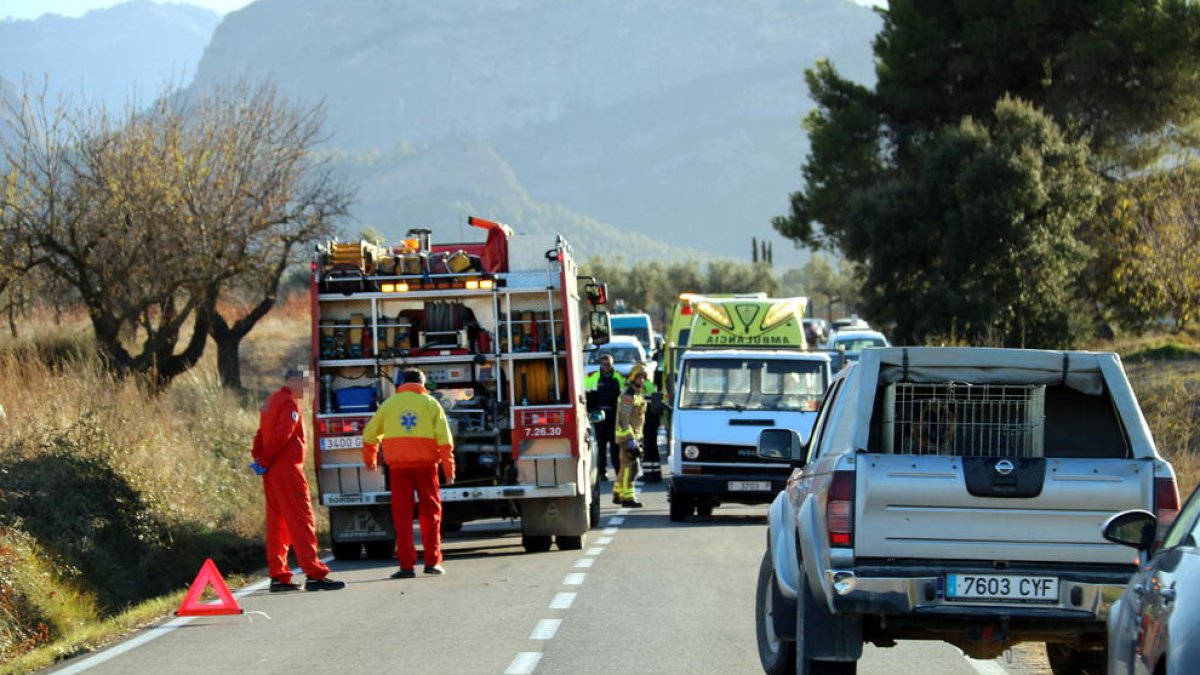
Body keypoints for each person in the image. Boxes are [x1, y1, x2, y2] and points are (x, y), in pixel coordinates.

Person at [251, 368, 345, 592]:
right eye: (305, 383)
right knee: (301, 520)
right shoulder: (290, 404)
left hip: (272, 471)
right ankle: (314, 574)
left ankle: (279, 576)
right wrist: (265, 459)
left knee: (278, 524)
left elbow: (260, 434)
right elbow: (281, 436)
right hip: (286, 469)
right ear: (292, 381)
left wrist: (260, 459)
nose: (308, 388)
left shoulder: (270, 401)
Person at [362, 368, 455, 578]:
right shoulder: (431, 404)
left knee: (402, 518)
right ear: (422, 383)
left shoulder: (389, 405)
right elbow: (445, 441)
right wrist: (449, 470)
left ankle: (406, 566)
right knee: (431, 515)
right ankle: (432, 562)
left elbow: (369, 434)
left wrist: (371, 460)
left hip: (399, 470)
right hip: (426, 468)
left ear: (401, 383)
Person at [584, 353, 625, 481]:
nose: (606, 367)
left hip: (614, 416)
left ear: (612, 365)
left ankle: (618, 471)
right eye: (604, 364)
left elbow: (625, 395)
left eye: (609, 364)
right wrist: (590, 412)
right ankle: (602, 472)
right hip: (599, 416)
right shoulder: (593, 377)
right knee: (601, 446)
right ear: (600, 365)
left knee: (615, 445)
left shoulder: (619, 377)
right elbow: (586, 394)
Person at [613, 362, 649, 508]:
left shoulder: (637, 393)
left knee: (624, 467)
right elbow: (623, 418)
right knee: (631, 468)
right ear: (633, 378)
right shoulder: (629, 395)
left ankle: (618, 493)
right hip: (628, 437)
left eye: (643, 378)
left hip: (633, 436)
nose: (641, 380)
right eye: (639, 377)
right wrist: (631, 439)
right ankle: (627, 498)